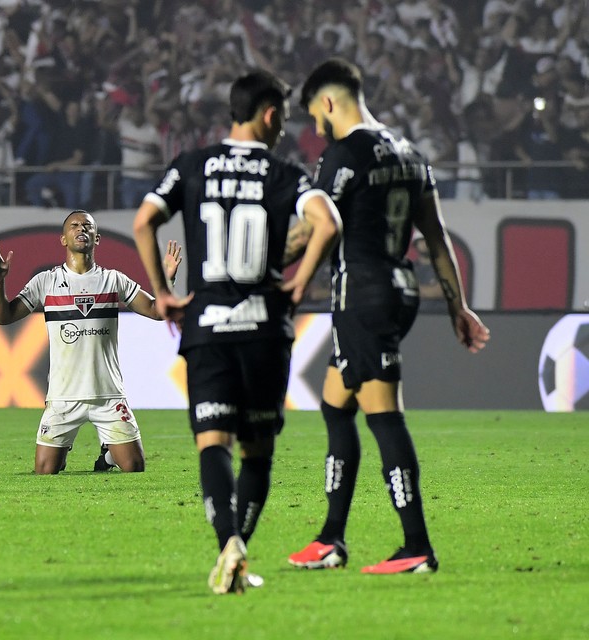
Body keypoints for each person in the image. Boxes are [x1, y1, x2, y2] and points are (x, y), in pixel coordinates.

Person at [132, 69, 341, 594]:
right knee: (257, 451)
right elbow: (328, 222)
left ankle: (228, 545)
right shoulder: (283, 171)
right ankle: (239, 548)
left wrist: (162, 292)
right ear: (269, 114)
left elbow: (143, 222)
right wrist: (296, 284)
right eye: (283, 118)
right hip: (265, 328)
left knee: (213, 446)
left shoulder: (192, 166)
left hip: (206, 327)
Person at [286, 59, 489, 575]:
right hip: (398, 291)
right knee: (336, 405)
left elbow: (314, 232)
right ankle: (331, 538)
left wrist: (257, 257)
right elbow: (436, 236)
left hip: (364, 295)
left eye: (314, 116)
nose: (315, 128)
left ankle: (417, 545)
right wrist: (457, 305)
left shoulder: (342, 156)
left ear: (329, 102)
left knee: (383, 415)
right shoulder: (409, 152)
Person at [0, 210, 182, 476]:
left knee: (134, 467)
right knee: (45, 471)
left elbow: (156, 312)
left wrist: (166, 279)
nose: (81, 229)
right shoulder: (46, 281)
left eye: (87, 226)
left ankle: (109, 456)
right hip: (63, 397)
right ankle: (63, 453)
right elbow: (4, 317)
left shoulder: (113, 279)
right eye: (74, 225)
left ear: (97, 238)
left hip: (108, 395)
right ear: (63, 239)